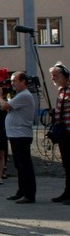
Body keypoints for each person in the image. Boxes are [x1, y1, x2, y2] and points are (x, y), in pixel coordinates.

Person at [0, 72, 37, 203]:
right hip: (15, 135)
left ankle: (29, 194)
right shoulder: (19, 96)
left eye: (15, 80)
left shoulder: (25, 95)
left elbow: (4, 106)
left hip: (21, 135)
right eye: (11, 81)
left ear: (23, 82)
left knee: (24, 165)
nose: (12, 83)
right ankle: (21, 191)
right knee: (19, 166)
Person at [49, 62, 70, 205]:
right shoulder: (62, 91)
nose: (53, 79)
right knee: (67, 165)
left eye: (55, 76)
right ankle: (67, 192)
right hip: (63, 133)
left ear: (64, 76)